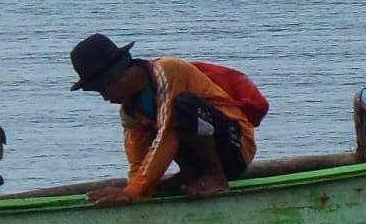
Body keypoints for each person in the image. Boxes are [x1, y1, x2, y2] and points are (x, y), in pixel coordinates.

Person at [68, 32, 259, 207]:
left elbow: (166, 136)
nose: (105, 98)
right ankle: (191, 174)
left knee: (183, 106)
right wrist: (135, 191)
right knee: (162, 130)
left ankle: (216, 177)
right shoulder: (130, 111)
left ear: (119, 76)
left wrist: (132, 192)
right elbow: (137, 159)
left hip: (235, 149)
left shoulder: (168, 72)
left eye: (103, 89)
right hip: (199, 160)